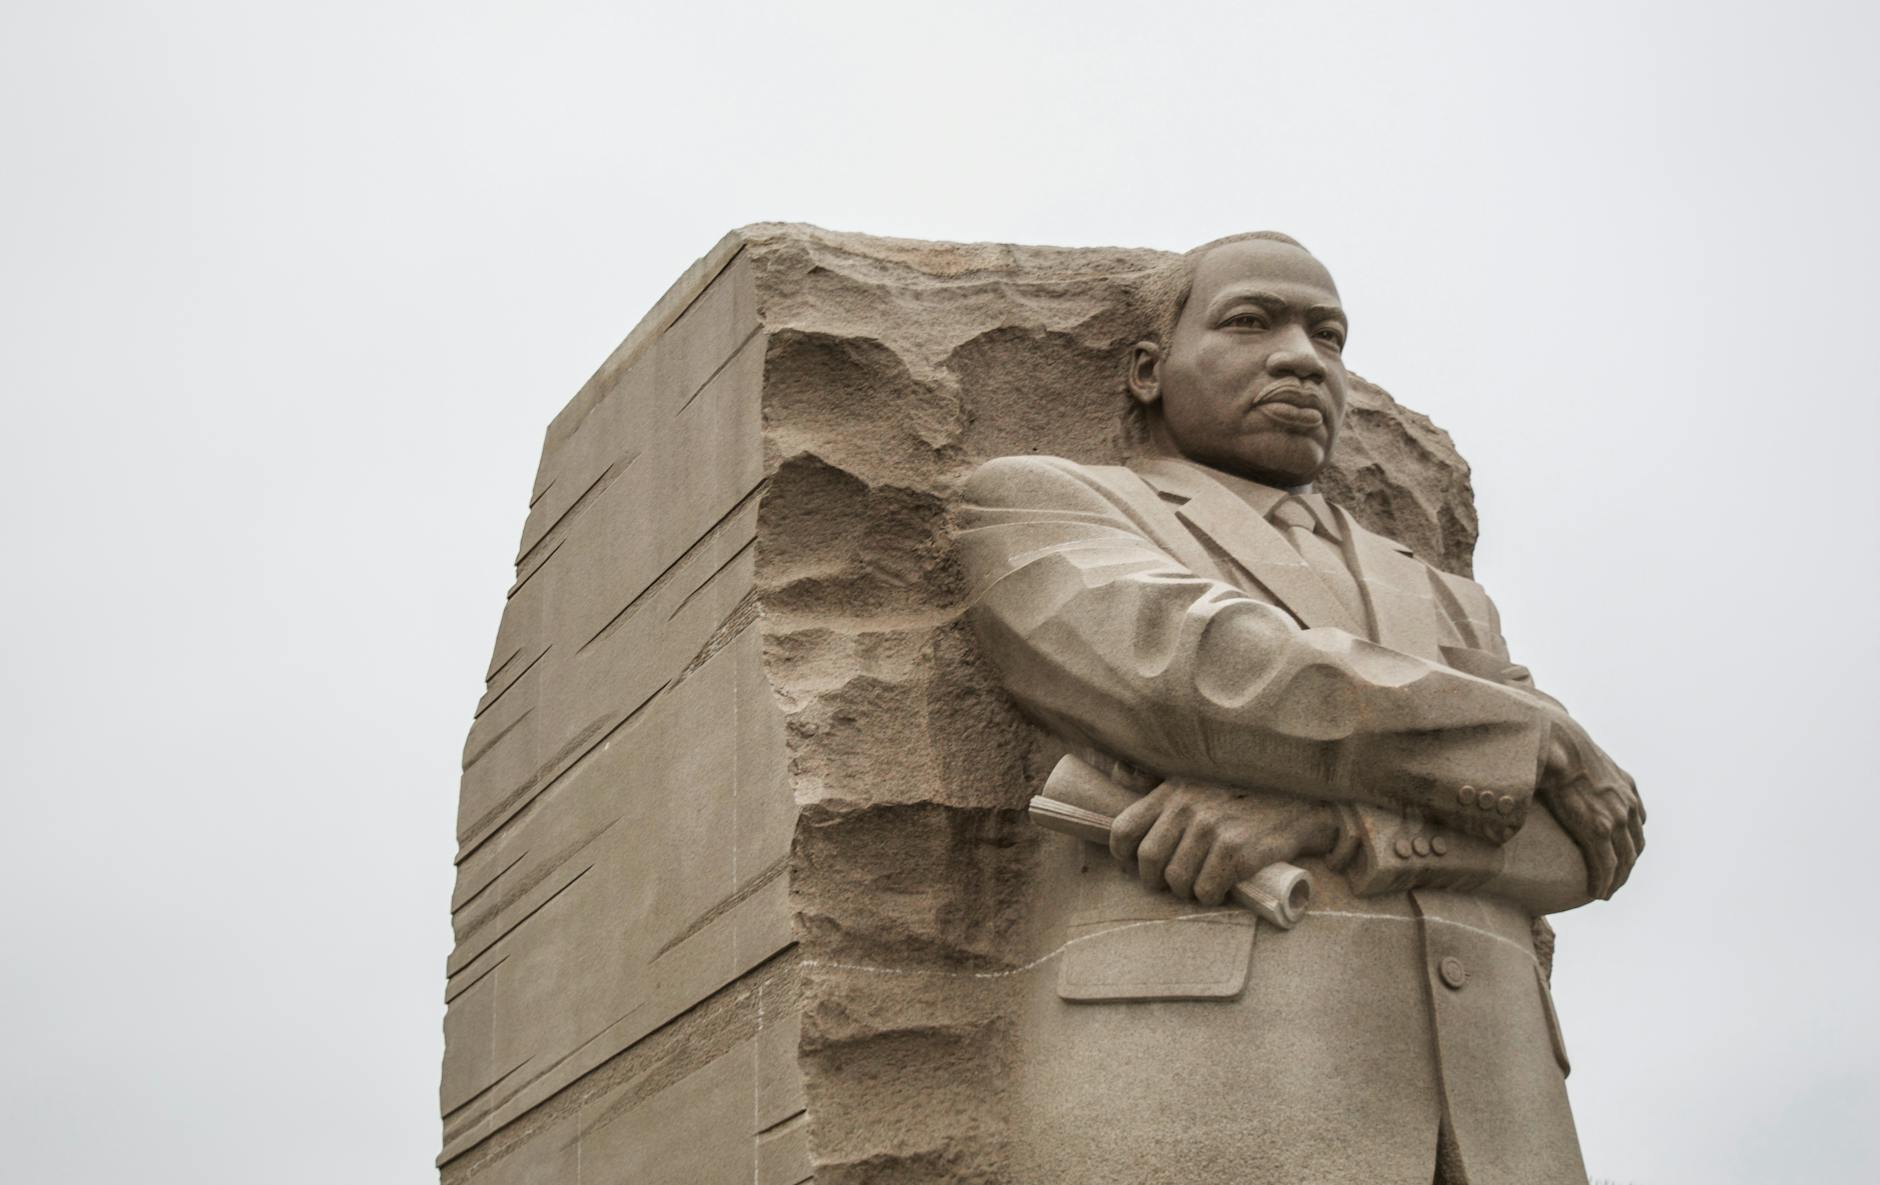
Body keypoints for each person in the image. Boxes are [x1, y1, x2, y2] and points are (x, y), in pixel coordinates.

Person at [956, 232, 1645, 1184]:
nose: (1302, 358)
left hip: (1505, 1119)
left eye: (1329, 336)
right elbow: (1201, 671)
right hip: (1222, 1089)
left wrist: (1334, 824)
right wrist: (1532, 730)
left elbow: (1583, 844)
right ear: (1149, 370)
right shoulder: (1043, 503)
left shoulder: (1448, 597)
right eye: (1251, 322)